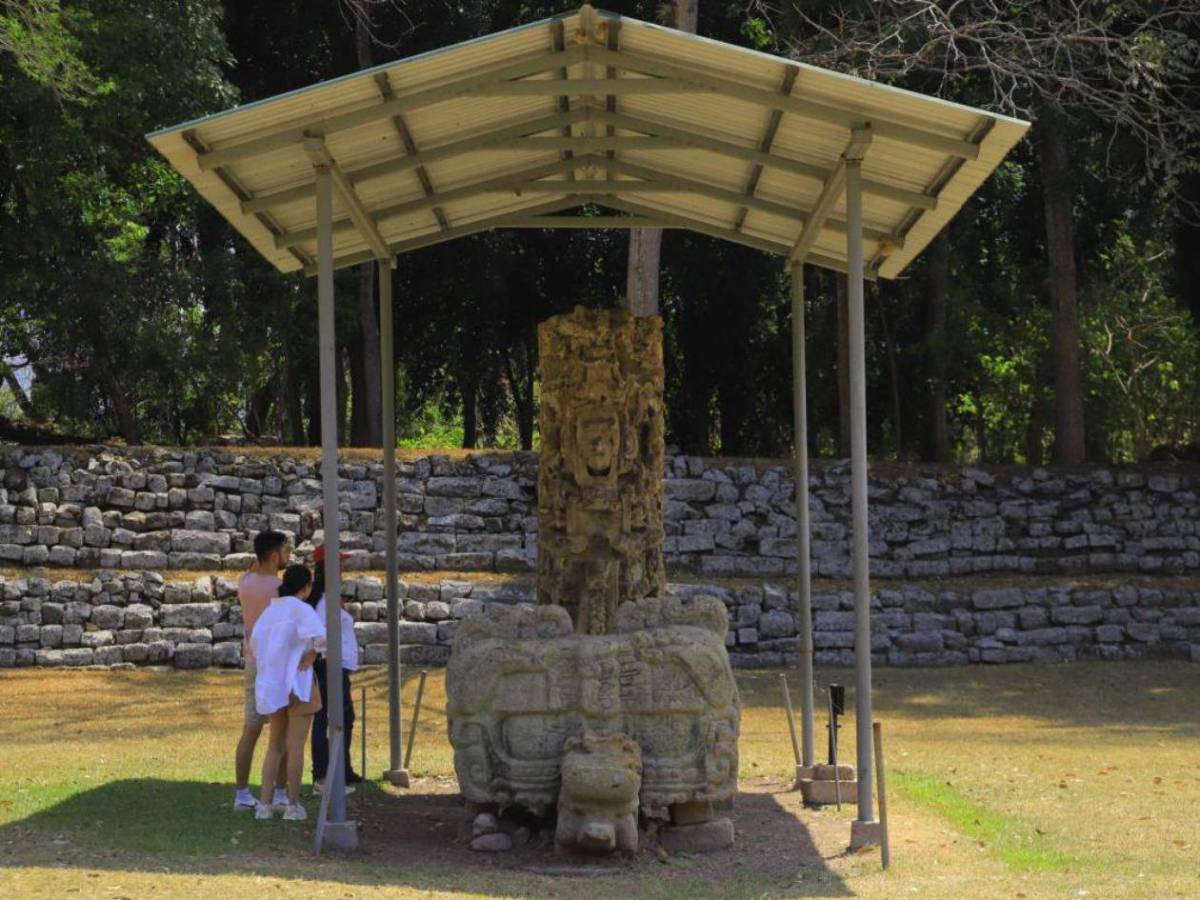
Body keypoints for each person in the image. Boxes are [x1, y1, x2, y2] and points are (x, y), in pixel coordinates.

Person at [251, 563, 325, 821]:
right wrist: (312, 654)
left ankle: (264, 804)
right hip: (299, 683)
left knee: (274, 746)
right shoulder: (302, 609)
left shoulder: (270, 611)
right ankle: (292, 805)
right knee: (296, 747)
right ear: (306, 587)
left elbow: (256, 644)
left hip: (274, 685)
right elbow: (322, 637)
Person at [233, 530, 291, 812]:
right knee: (281, 732)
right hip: (275, 664)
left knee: (251, 729)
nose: (289, 556)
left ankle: (242, 793)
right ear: (274, 555)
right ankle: (279, 793)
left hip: (253, 661)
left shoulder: (245, 583)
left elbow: (252, 568)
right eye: (285, 551)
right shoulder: (280, 588)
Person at [308, 544, 362, 794]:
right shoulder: (323, 601)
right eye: (338, 566)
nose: (342, 571)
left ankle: (342, 769)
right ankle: (324, 776)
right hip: (330, 666)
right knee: (328, 719)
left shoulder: (330, 597)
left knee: (344, 718)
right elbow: (319, 635)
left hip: (338, 666)